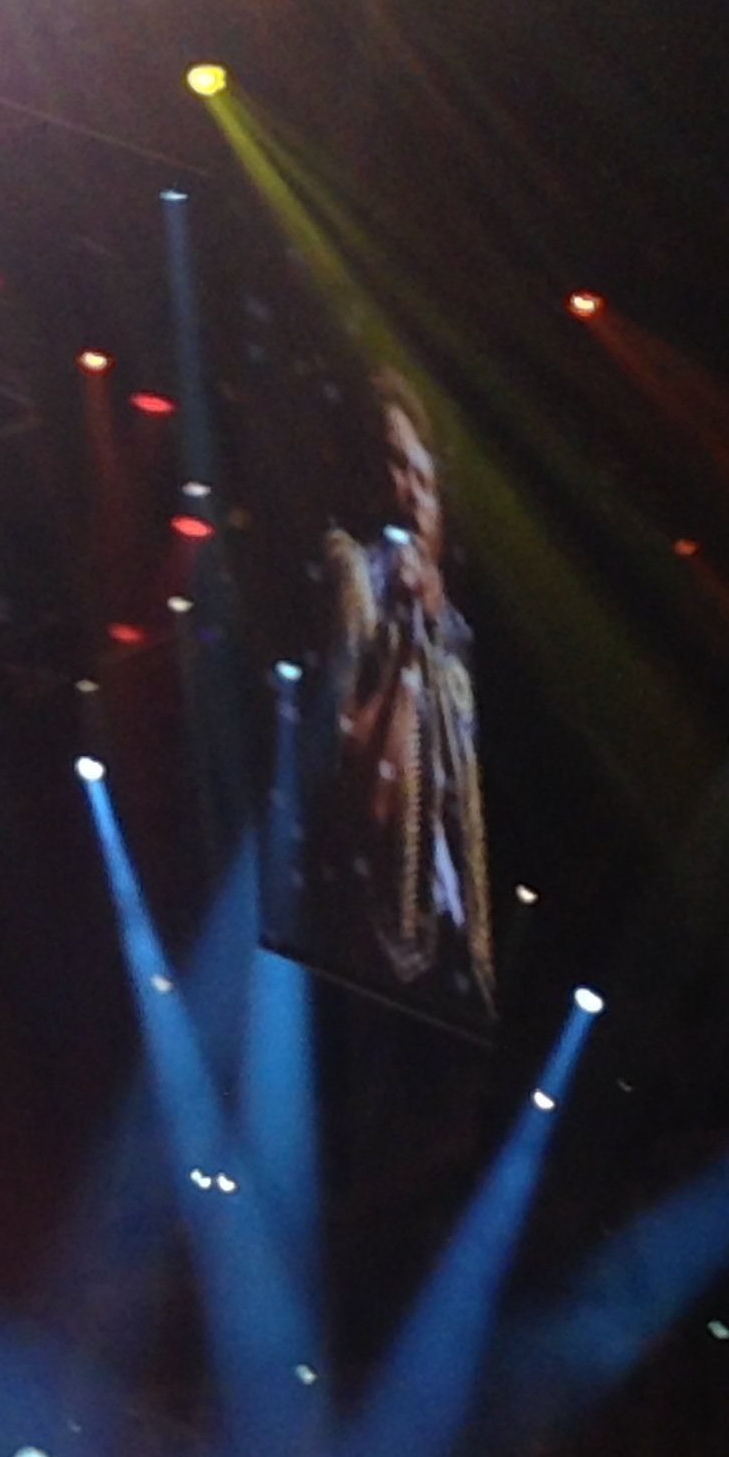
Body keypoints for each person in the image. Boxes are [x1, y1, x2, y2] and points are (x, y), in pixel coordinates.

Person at [319, 368, 491, 1013]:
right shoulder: (353, 578)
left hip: (446, 949)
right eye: (396, 467)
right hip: (370, 948)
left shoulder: (453, 635)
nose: (414, 493)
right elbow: (360, 781)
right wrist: (404, 640)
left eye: (424, 475)